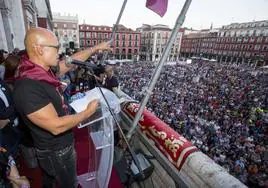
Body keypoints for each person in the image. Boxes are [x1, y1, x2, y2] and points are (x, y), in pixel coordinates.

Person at [13, 27, 111, 188]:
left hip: (55, 148)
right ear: (39, 49)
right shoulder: (28, 87)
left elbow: (69, 63)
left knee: (50, 180)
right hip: (55, 151)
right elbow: (56, 126)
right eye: (56, 47)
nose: (60, 51)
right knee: (69, 183)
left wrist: (95, 48)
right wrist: (88, 112)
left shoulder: (40, 72)